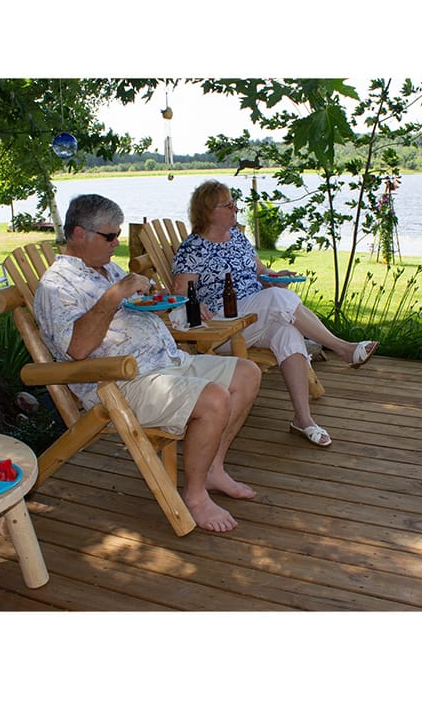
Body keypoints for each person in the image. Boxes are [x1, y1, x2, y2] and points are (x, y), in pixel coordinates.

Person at [34, 193, 261, 533]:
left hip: (167, 362)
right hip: (120, 381)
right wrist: (114, 295)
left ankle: (213, 468)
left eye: (118, 235)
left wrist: (153, 301)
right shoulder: (55, 286)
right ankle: (195, 496)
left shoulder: (107, 268)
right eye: (110, 236)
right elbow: (77, 348)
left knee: (247, 372)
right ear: (79, 234)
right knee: (214, 398)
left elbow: (132, 310)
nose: (117, 243)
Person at [172, 180, 378, 448]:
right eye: (228, 204)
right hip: (221, 324)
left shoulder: (238, 238)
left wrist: (274, 276)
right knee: (276, 298)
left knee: (288, 332)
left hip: (255, 316)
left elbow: (260, 271)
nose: (236, 208)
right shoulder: (193, 248)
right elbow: (179, 290)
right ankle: (342, 348)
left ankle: (303, 419)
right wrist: (193, 301)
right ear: (208, 211)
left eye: (234, 202)